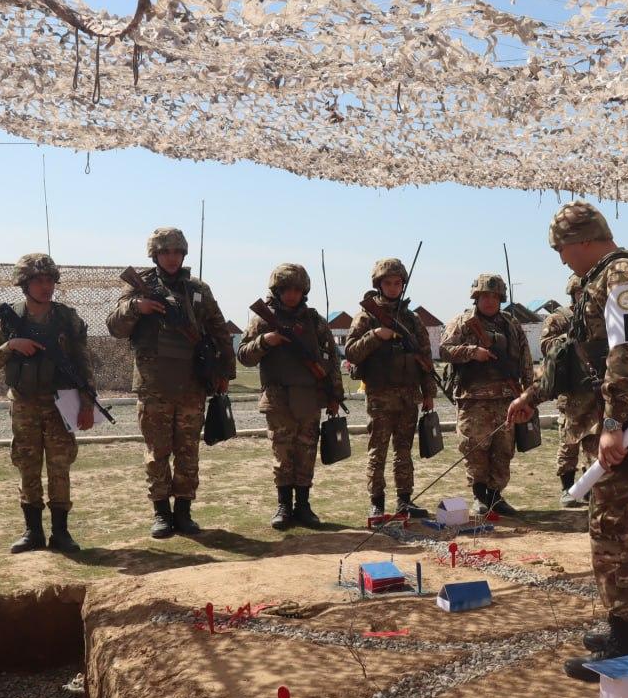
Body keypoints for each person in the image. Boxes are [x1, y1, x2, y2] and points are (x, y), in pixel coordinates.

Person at [508, 201, 628, 682]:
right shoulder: (600, 280)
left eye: (561, 249)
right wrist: (532, 396)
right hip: (611, 427)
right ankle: (625, 628)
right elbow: (577, 359)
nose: (561, 259)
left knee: (619, 539)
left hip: (625, 431)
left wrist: (613, 423)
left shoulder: (622, 276)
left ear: (581, 240)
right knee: (615, 534)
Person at [106, 227, 236, 539]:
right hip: (154, 386)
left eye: (177, 252)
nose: (172, 257)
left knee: (188, 451)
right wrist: (136, 307)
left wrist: (224, 373)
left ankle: (184, 511)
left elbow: (219, 330)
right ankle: (162, 513)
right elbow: (114, 327)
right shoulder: (138, 287)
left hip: (192, 385)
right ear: (155, 255)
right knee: (158, 452)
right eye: (165, 252)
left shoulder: (198, 289)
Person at [0, 253, 91, 553]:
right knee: (27, 465)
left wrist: (87, 403)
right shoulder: (9, 319)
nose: (46, 286)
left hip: (60, 403)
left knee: (60, 466)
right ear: (24, 283)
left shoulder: (66, 318)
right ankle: (33, 532)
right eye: (39, 280)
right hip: (24, 404)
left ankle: (61, 533)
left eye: (50, 280)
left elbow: (83, 363)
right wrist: (10, 345)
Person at [237, 263, 344, 529]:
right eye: (286, 289)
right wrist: (265, 341)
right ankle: (284, 506)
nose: (292, 295)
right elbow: (243, 355)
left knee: (306, 452)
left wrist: (335, 396)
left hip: (309, 398)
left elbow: (332, 359)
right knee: (282, 455)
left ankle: (303, 506)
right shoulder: (263, 320)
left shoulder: (314, 321)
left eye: (297, 290)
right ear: (277, 290)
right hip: (278, 399)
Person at [344, 258, 436, 519]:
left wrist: (429, 393)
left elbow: (425, 359)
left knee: (404, 452)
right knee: (378, 452)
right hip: (380, 396)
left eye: (397, 283)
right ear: (379, 284)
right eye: (388, 283)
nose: (393, 288)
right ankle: (377, 502)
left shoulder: (412, 319)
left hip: (409, 395)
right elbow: (351, 351)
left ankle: (404, 501)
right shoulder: (366, 316)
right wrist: (376, 335)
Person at [440, 274, 533, 516]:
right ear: (476, 297)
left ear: (501, 298)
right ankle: (480, 496)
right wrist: (472, 352)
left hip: (507, 399)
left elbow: (525, 360)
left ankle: (495, 496)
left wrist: (528, 394)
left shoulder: (511, 324)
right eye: (484, 296)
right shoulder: (462, 322)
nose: (490, 301)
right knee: (475, 449)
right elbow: (445, 350)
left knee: (504, 450)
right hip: (474, 400)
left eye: (494, 296)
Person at [539, 274, 596, 508]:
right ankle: (567, 489)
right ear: (572, 293)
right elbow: (546, 346)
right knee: (569, 442)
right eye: (580, 293)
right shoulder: (560, 318)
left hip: (595, 391)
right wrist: (570, 338)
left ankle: (589, 488)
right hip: (571, 391)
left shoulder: (599, 317)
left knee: (594, 443)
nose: (584, 297)